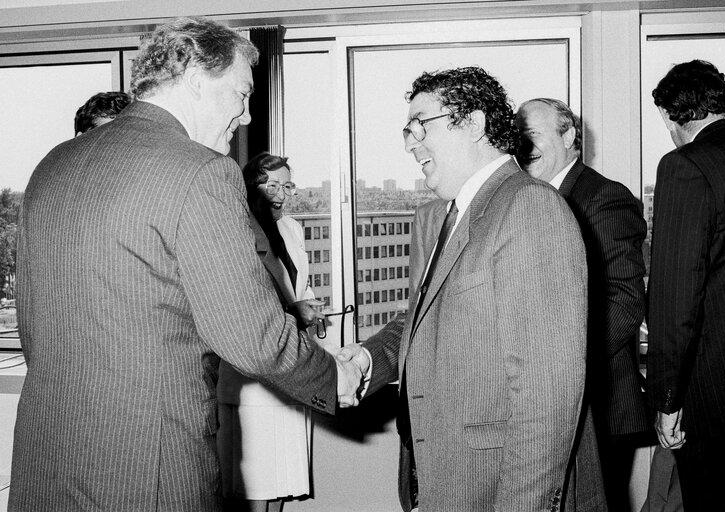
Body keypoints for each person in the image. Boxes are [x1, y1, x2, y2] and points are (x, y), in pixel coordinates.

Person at [10, 16, 362, 512]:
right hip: (147, 468)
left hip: (47, 456)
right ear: (198, 81)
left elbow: (33, 327)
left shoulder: (53, 164)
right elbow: (252, 337)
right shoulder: (202, 171)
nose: (243, 116)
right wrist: (331, 376)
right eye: (241, 95)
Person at [338, 66, 588, 511]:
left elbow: (546, 395)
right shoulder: (443, 217)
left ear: (473, 123)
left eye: (421, 124)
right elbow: (426, 320)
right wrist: (368, 358)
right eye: (406, 130)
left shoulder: (529, 206)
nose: (411, 142)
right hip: (441, 477)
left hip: (495, 491)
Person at [515, 98, 651, 512]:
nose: (524, 147)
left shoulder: (603, 197)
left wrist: (554, 366)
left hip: (600, 407)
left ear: (569, 135)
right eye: (517, 138)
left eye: (533, 134)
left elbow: (624, 303)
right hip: (544, 408)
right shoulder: (526, 200)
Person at [646, 59, 725, 511]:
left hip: (717, 400)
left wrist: (667, 397)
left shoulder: (685, 166)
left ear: (670, 115)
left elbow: (675, 299)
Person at [218, 152, 328, 512]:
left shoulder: (292, 229)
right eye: (271, 184)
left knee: (281, 481)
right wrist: (291, 311)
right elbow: (241, 301)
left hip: (290, 365)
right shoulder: (236, 232)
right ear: (252, 187)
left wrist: (310, 307)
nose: (280, 193)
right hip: (255, 371)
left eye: (286, 184)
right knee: (254, 483)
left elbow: (299, 287)